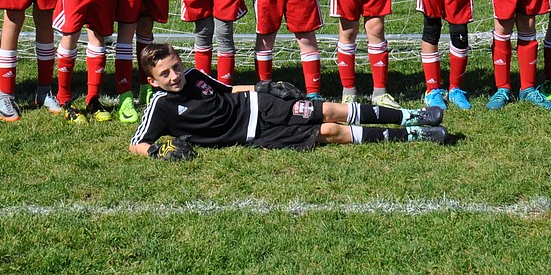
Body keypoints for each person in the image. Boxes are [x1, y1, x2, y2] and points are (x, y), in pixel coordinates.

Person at [129, 43, 447, 158]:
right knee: (329, 131)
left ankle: (413, 116)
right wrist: (156, 153)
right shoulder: (161, 106)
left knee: (330, 109)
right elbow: (137, 141)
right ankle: (415, 135)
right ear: (152, 81)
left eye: (176, 67)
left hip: (260, 105)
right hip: (257, 135)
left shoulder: (197, 76)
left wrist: (263, 87)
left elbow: (228, 92)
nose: (175, 76)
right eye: (166, 74)